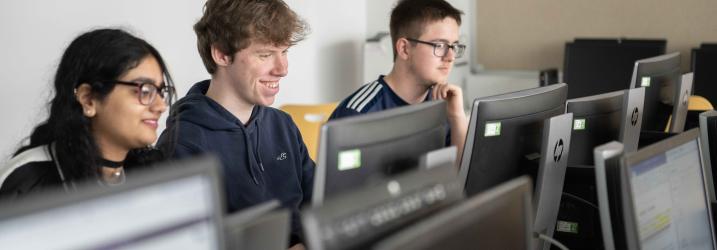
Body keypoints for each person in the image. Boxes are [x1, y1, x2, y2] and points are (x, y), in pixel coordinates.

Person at [157, 0, 313, 247]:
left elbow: (321, 203)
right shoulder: (182, 145)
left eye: (284, 52)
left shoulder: (282, 124)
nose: (283, 68)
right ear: (221, 54)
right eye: (265, 54)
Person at [0, 28, 176, 199]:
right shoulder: (26, 183)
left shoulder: (151, 175)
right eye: (145, 91)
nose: (161, 106)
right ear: (88, 99)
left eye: (161, 92)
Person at [329, 0, 469, 157]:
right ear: (404, 49)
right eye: (440, 45)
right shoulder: (358, 115)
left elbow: (457, 176)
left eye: (454, 46)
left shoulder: (443, 106)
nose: (450, 57)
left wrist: (458, 117)